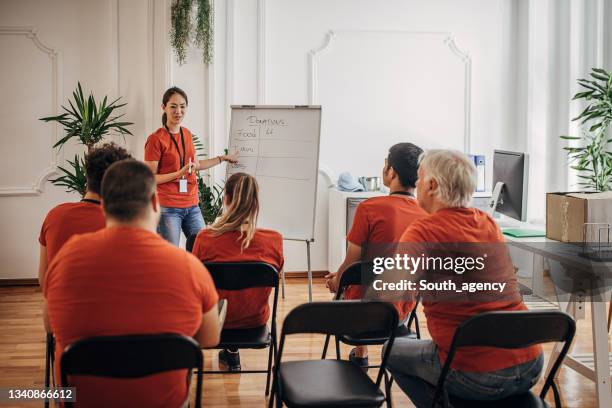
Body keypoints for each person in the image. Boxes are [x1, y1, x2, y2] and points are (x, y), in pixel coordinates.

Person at [44, 160, 220, 408]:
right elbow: (210, 337)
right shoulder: (189, 266)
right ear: (155, 203)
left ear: (104, 205)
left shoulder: (67, 257)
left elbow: (49, 323)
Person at [384, 150, 543, 407]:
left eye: (419, 178)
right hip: (530, 364)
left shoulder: (422, 232)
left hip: (476, 373)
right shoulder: (488, 223)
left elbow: (393, 300)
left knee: (391, 351)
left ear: (431, 185)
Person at [324, 143, 427, 369]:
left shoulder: (369, 208)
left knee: (350, 282)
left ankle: (360, 354)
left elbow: (352, 263)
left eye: (385, 164)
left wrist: (337, 280)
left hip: (361, 312)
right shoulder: (426, 215)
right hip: (400, 314)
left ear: (391, 172)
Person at [192, 172, 284, 371]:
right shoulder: (274, 241)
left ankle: (230, 353)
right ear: (256, 203)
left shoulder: (205, 239)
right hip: (254, 322)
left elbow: (196, 284)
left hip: (214, 323)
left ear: (225, 200)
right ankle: (231, 354)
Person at [144, 86, 238, 246]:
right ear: (163, 108)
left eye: (182, 106)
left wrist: (223, 158)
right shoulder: (155, 139)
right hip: (168, 207)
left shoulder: (186, 134)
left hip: (192, 204)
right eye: (173, 106)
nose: (178, 111)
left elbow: (196, 165)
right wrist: (178, 173)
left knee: (204, 248)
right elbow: (149, 179)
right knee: (171, 255)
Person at [38, 142, 131, 292]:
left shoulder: (54, 215)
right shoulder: (122, 224)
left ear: (88, 176)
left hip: (60, 311)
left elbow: (44, 281)